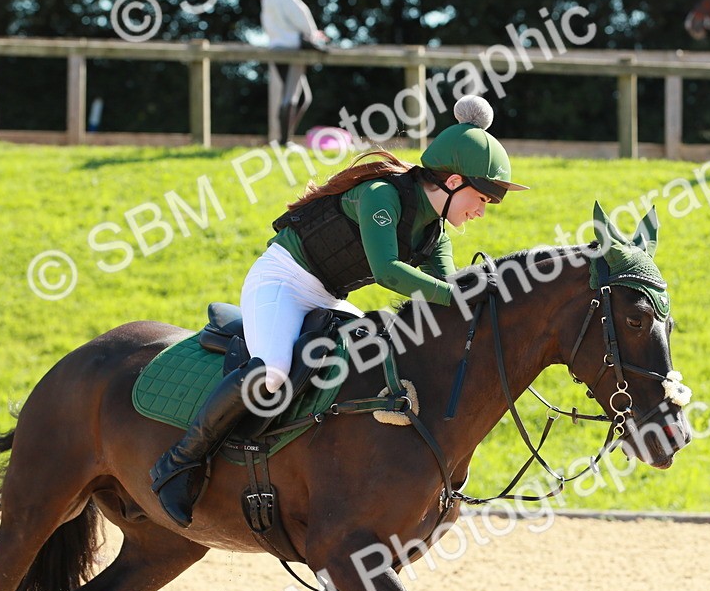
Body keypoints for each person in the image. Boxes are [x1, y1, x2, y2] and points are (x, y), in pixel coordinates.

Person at [150, 95, 528, 527]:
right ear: (454, 181)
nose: (481, 211)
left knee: (366, 364)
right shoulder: (382, 195)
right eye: (481, 198)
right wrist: (458, 295)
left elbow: (447, 293)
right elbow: (388, 272)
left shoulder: (434, 233)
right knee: (272, 370)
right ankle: (179, 463)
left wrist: (494, 300)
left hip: (329, 295)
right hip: (282, 281)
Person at [261, 0, 327, 146]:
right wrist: (314, 35)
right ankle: (283, 141)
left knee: (301, 96)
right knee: (292, 97)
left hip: (276, 47)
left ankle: (283, 139)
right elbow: (303, 20)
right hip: (292, 49)